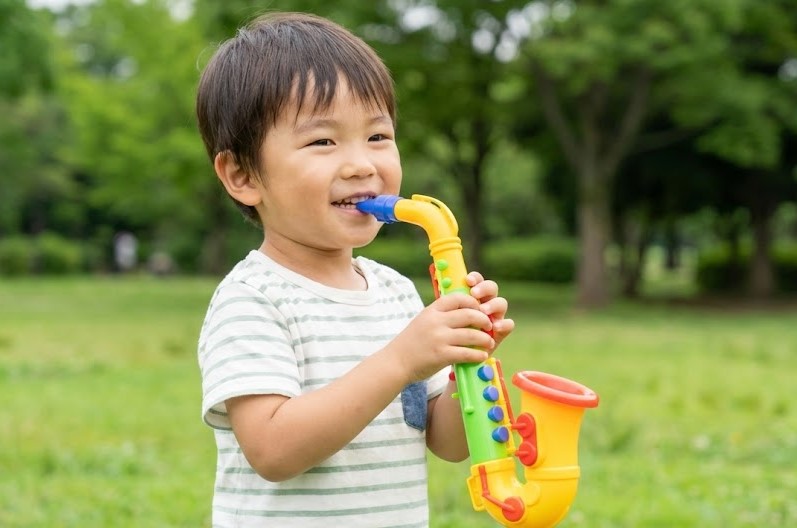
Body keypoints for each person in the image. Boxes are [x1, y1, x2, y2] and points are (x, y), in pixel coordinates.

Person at [195, 12, 514, 527]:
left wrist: (467, 361)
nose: (362, 164)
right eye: (323, 141)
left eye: (378, 136)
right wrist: (401, 359)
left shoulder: (395, 292)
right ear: (242, 175)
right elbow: (273, 451)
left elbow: (447, 442)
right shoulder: (252, 299)